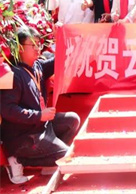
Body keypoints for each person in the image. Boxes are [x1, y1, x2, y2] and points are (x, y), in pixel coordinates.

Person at [1, 27, 80, 184]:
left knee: (72, 120)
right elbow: (7, 110)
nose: (38, 48)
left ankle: (48, 161)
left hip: (41, 126)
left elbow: (60, 60)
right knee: (66, 156)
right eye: (33, 45)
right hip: (23, 135)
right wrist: (39, 115)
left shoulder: (37, 66)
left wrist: (63, 40)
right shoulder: (14, 74)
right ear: (20, 48)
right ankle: (18, 159)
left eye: (39, 44)